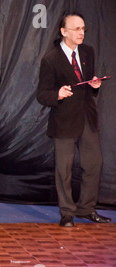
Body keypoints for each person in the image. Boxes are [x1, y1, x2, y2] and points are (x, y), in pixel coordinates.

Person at [37, 13, 111, 227]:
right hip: (64, 121)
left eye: (83, 29)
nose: (81, 33)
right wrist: (57, 94)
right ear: (63, 31)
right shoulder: (50, 59)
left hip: (87, 117)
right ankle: (67, 212)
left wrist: (94, 85)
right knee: (64, 169)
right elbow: (42, 94)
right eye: (76, 29)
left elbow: (86, 84)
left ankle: (87, 209)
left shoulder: (88, 51)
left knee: (94, 164)